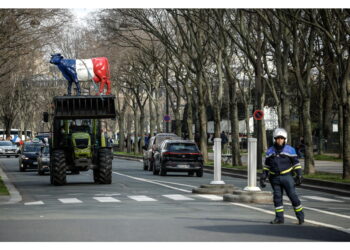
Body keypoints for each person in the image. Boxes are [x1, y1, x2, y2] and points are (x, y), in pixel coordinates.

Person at [260, 128, 304, 225]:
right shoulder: (270, 151)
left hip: (287, 177)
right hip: (274, 178)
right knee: (277, 198)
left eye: (282, 138)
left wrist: (299, 174)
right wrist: (263, 177)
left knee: (293, 196)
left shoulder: (290, 150)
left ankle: (300, 217)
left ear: (285, 139)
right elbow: (267, 166)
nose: (280, 140)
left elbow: (296, 164)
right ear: (274, 139)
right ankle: (279, 218)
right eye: (278, 138)